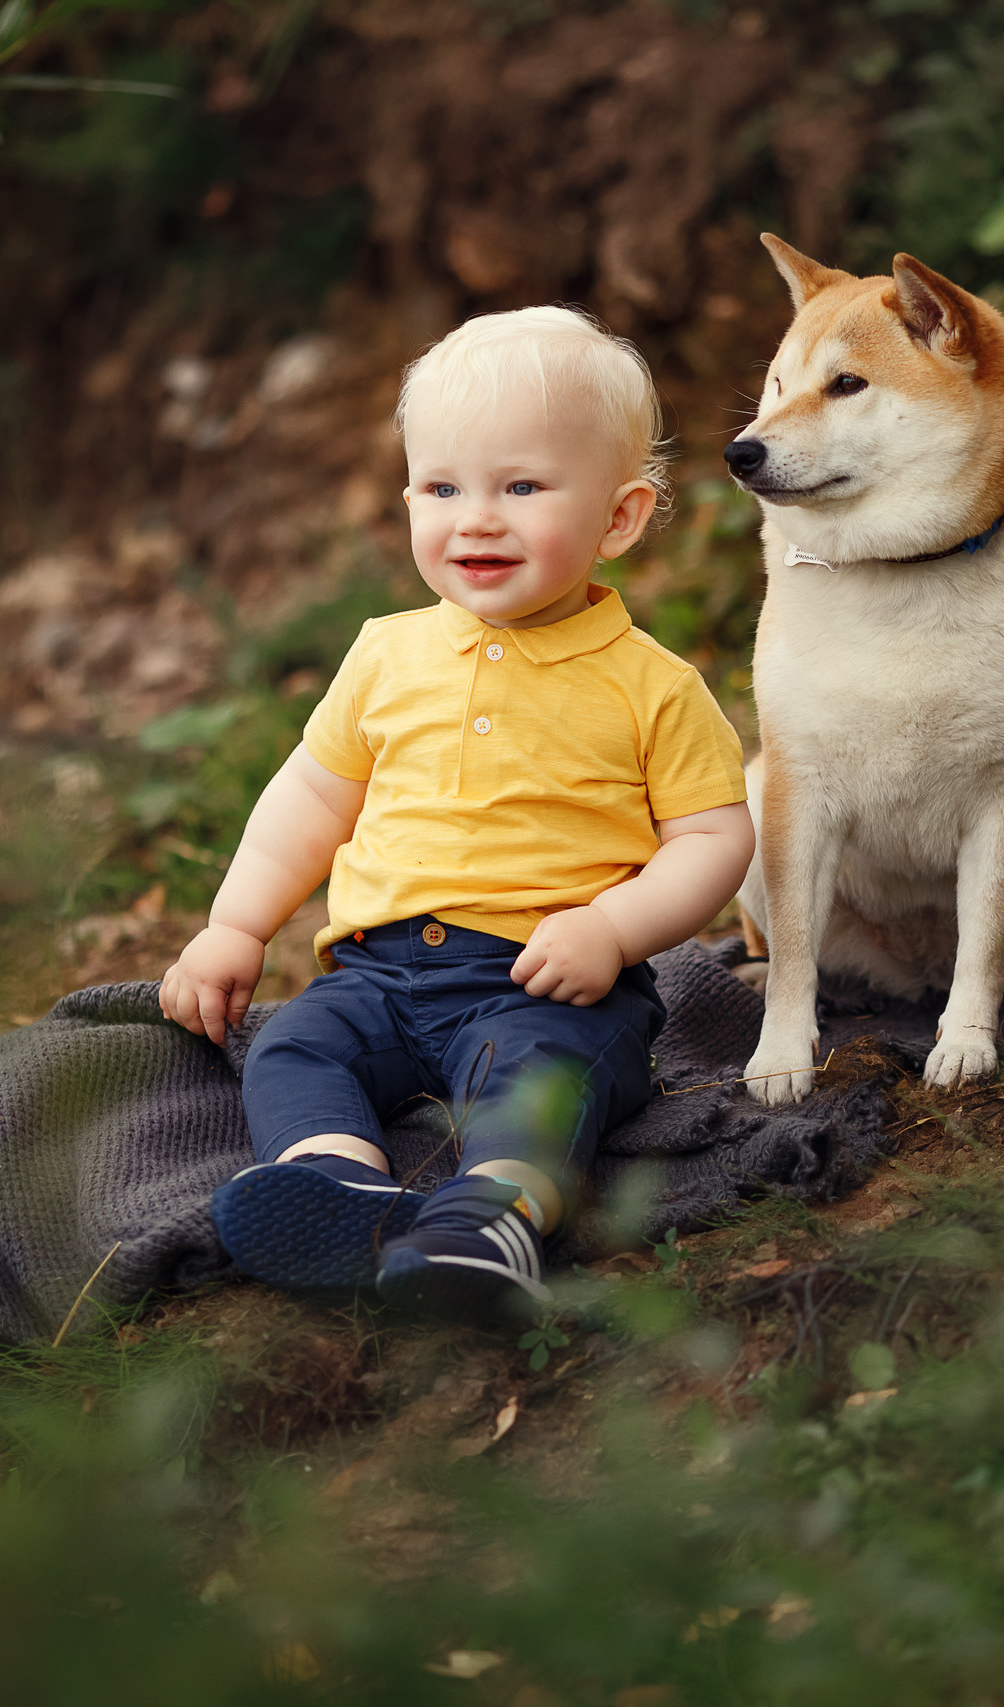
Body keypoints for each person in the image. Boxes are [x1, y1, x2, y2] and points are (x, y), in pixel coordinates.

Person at [159, 306, 756, 1321]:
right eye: (442, 488)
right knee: (295, 1047)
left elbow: (712, 838)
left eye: (520, 487)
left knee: (542, 1082)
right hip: (378, 974)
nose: (474, 519)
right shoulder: (386, 654)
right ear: (408, 500)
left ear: (618, 519)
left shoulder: (650, 685)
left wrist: (613, 930)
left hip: (547, 982)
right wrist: (236, 925)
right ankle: (339, 1186)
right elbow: (312, 794)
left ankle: (493, 1217)